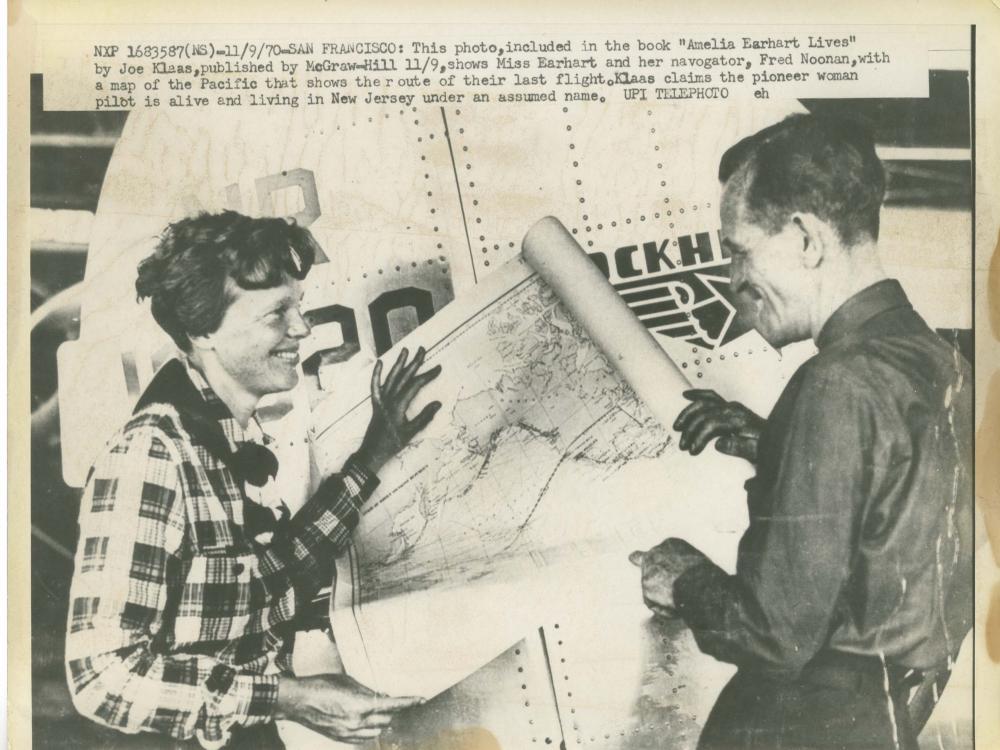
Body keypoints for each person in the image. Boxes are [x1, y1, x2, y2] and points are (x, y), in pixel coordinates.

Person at [631, 114, 973, 749]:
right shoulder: (945, 366)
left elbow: (773, 633)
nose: (733, 283)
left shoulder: (834, 385)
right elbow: (908, 499)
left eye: (738, 251)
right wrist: (775, 444)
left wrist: (680, 577)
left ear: (807, 239)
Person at [65, 211, 443, 749]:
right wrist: (289, 696)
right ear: (203, 331)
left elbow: (272, 581)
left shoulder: (229, 441)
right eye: (276, 314)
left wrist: (372, 455)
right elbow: (99, 677)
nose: (303, 329)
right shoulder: (152, 455)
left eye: (299, 306)